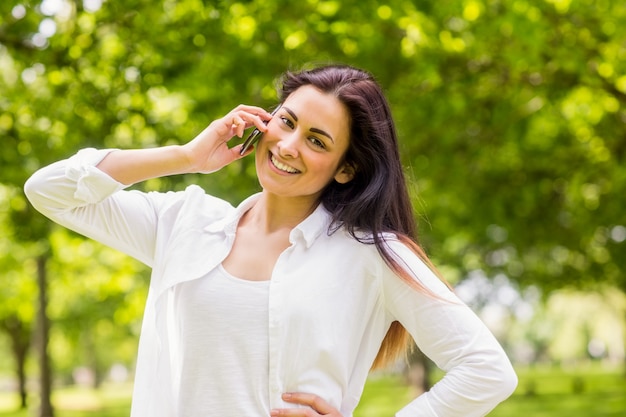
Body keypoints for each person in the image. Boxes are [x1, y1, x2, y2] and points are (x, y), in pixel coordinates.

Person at [24, 64, 517, 417]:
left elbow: (486, 370)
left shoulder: (374, 255)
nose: (287, 145)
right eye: (286, 121)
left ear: (347, 169)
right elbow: (49, 190)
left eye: (317, 140)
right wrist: (186, 155)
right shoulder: (185, 222)